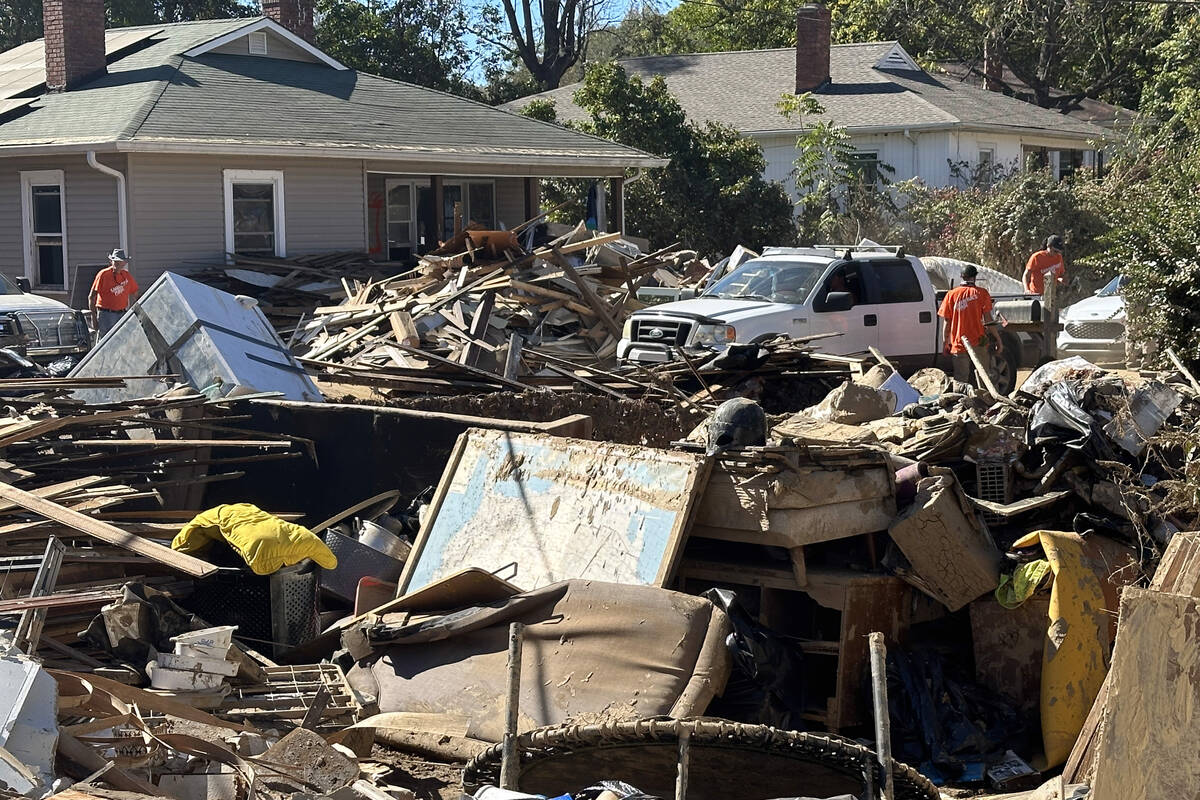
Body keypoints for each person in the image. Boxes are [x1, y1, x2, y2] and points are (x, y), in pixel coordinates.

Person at [939, 263, 1003, 384]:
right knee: (983, 376)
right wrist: (998, 339)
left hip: (959, 343)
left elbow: (947, 321)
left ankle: (960, 402)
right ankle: (985, 401)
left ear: (962, 276)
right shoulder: (982, 293)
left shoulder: (951, 295)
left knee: (960, 381)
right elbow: (988, 319)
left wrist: (945, 343)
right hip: (979, 342)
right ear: (975, 277)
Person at [89, 249, 139, 336]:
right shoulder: (103, 275)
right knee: (105, 342)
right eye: (115, 261)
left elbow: (136, 294)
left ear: (124, 263)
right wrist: (93, 317)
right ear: (111, 262)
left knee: (122, 340)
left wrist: (137, 312)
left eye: (120, 262)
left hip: (122, 313)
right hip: (106, 314)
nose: (118, 264)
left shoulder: (126, 275)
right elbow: (91, 297)